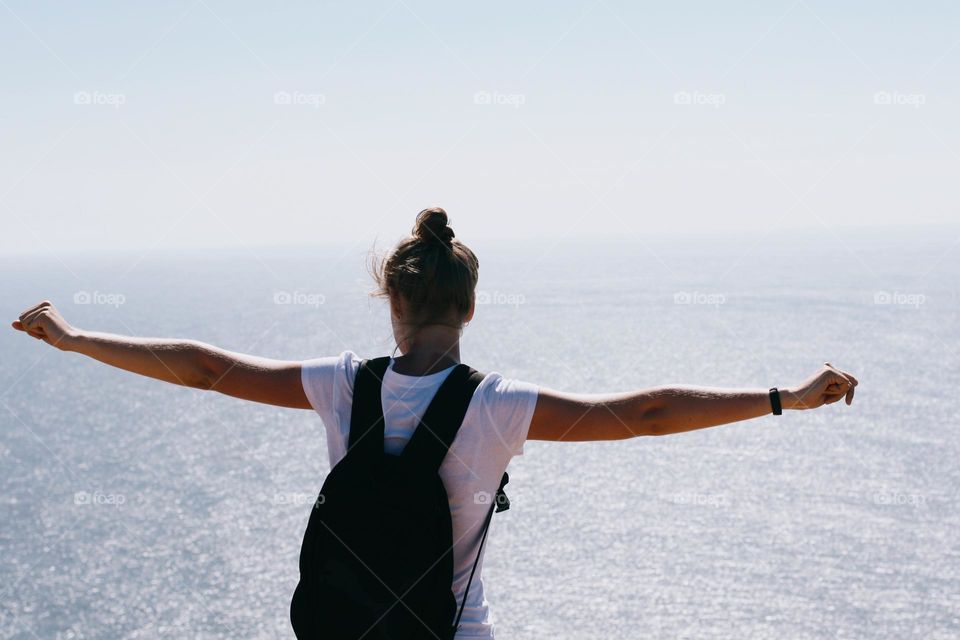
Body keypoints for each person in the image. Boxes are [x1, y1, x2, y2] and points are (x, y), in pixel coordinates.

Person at [12, 207, 858, 638]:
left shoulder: (343, 385)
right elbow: (643, 413)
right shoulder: (498, 407)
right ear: (472, 306)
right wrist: (780, 396)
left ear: (392, 301)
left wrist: (77, 339)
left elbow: (204, 367)